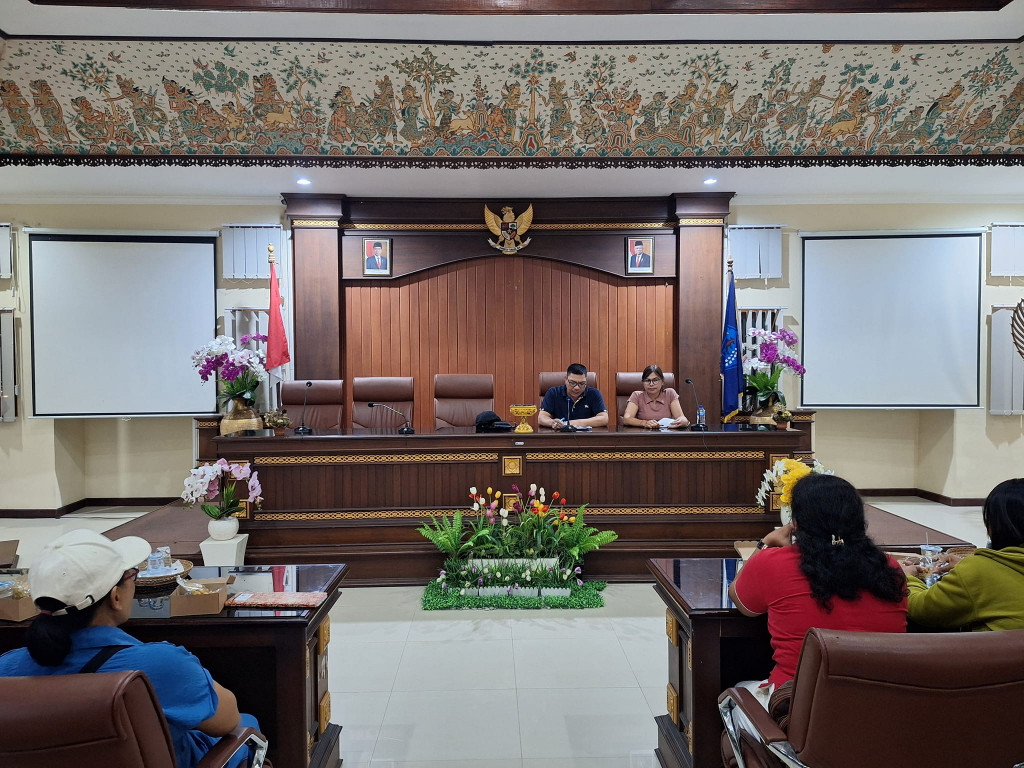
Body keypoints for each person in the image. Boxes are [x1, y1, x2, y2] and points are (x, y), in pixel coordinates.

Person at [0, 529, 261, 768]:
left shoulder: (7, 670)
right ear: (115, 597)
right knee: (248, 724)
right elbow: (228, 719)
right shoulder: (161, 664)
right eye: (131, 575)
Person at [729, 473, 907, 702]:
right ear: (858, 522)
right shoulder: (889, 568)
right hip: (878, 710)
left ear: (796, 523)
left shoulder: (773, 563)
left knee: (737, 690)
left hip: (796, 711)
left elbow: (741, 602)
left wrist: (765, 544)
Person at [900, 478, 1024, 631]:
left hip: (993, 655)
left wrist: (906, 578)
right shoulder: (980, 570)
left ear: (998, 525)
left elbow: (921, 609)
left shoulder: (979, 571)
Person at [539, 363, 609, 429]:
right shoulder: (553, 393)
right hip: (559, 437)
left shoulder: (594, 394)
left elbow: (604, 418)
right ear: (566, 379)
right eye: (573, 383)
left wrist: (577, 423)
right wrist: (552, 422)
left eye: (582, 383)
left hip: (587, 438)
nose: (577, 388)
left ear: (586, 381)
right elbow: (542, 418)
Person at [621, 364, 689, 429]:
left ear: (662, 381)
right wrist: (644, 423)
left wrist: (684, 421)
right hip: (644, 436)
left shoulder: (670, 393)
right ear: (643, 383)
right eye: (647, 380)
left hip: (666, 437)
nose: (651, 384)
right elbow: (626, 419)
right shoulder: (637, 396)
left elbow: (681, 417)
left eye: (655, 380)